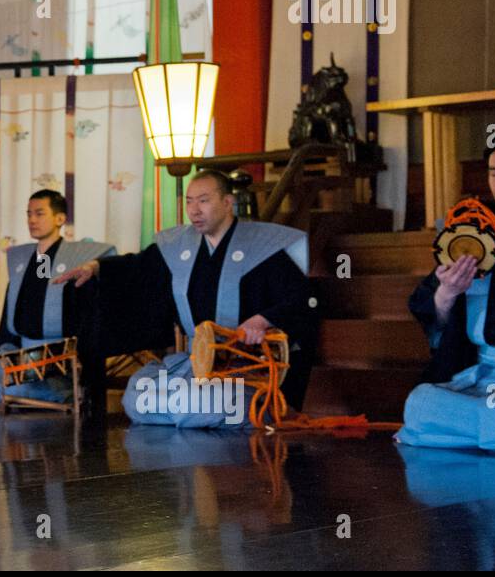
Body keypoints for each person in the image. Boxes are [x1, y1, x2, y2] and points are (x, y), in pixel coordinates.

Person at [56, 170, 314, 427]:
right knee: (136, 395)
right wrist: (94, 267)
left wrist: (262, 320)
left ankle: (243, 407)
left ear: (227, 203)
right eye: (189, 201)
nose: (194, 210)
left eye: (203, 200)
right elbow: (136, 266)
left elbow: (302, 298)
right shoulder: (180, 246)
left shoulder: (262, 246)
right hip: (196, 363)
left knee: (195, 405)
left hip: (246, 366)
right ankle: (192, 410)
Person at [396, 132, 495, 455]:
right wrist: (447, 294)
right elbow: (431, 307)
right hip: (483, 372)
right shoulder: (478, 229)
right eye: (494, 173)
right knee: (423, 403)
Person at [0, 189, 112, 412]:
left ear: (60, 219)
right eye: (29, 214)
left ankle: (61, 390)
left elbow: (79, 311)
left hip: (57, 357)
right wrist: (6, 349)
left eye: (39, 214)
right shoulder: (28, 260)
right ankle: (39, 392)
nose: (32, 220)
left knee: (17, 388)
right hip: (22, 355)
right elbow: (30, 296)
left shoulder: (77, 260)